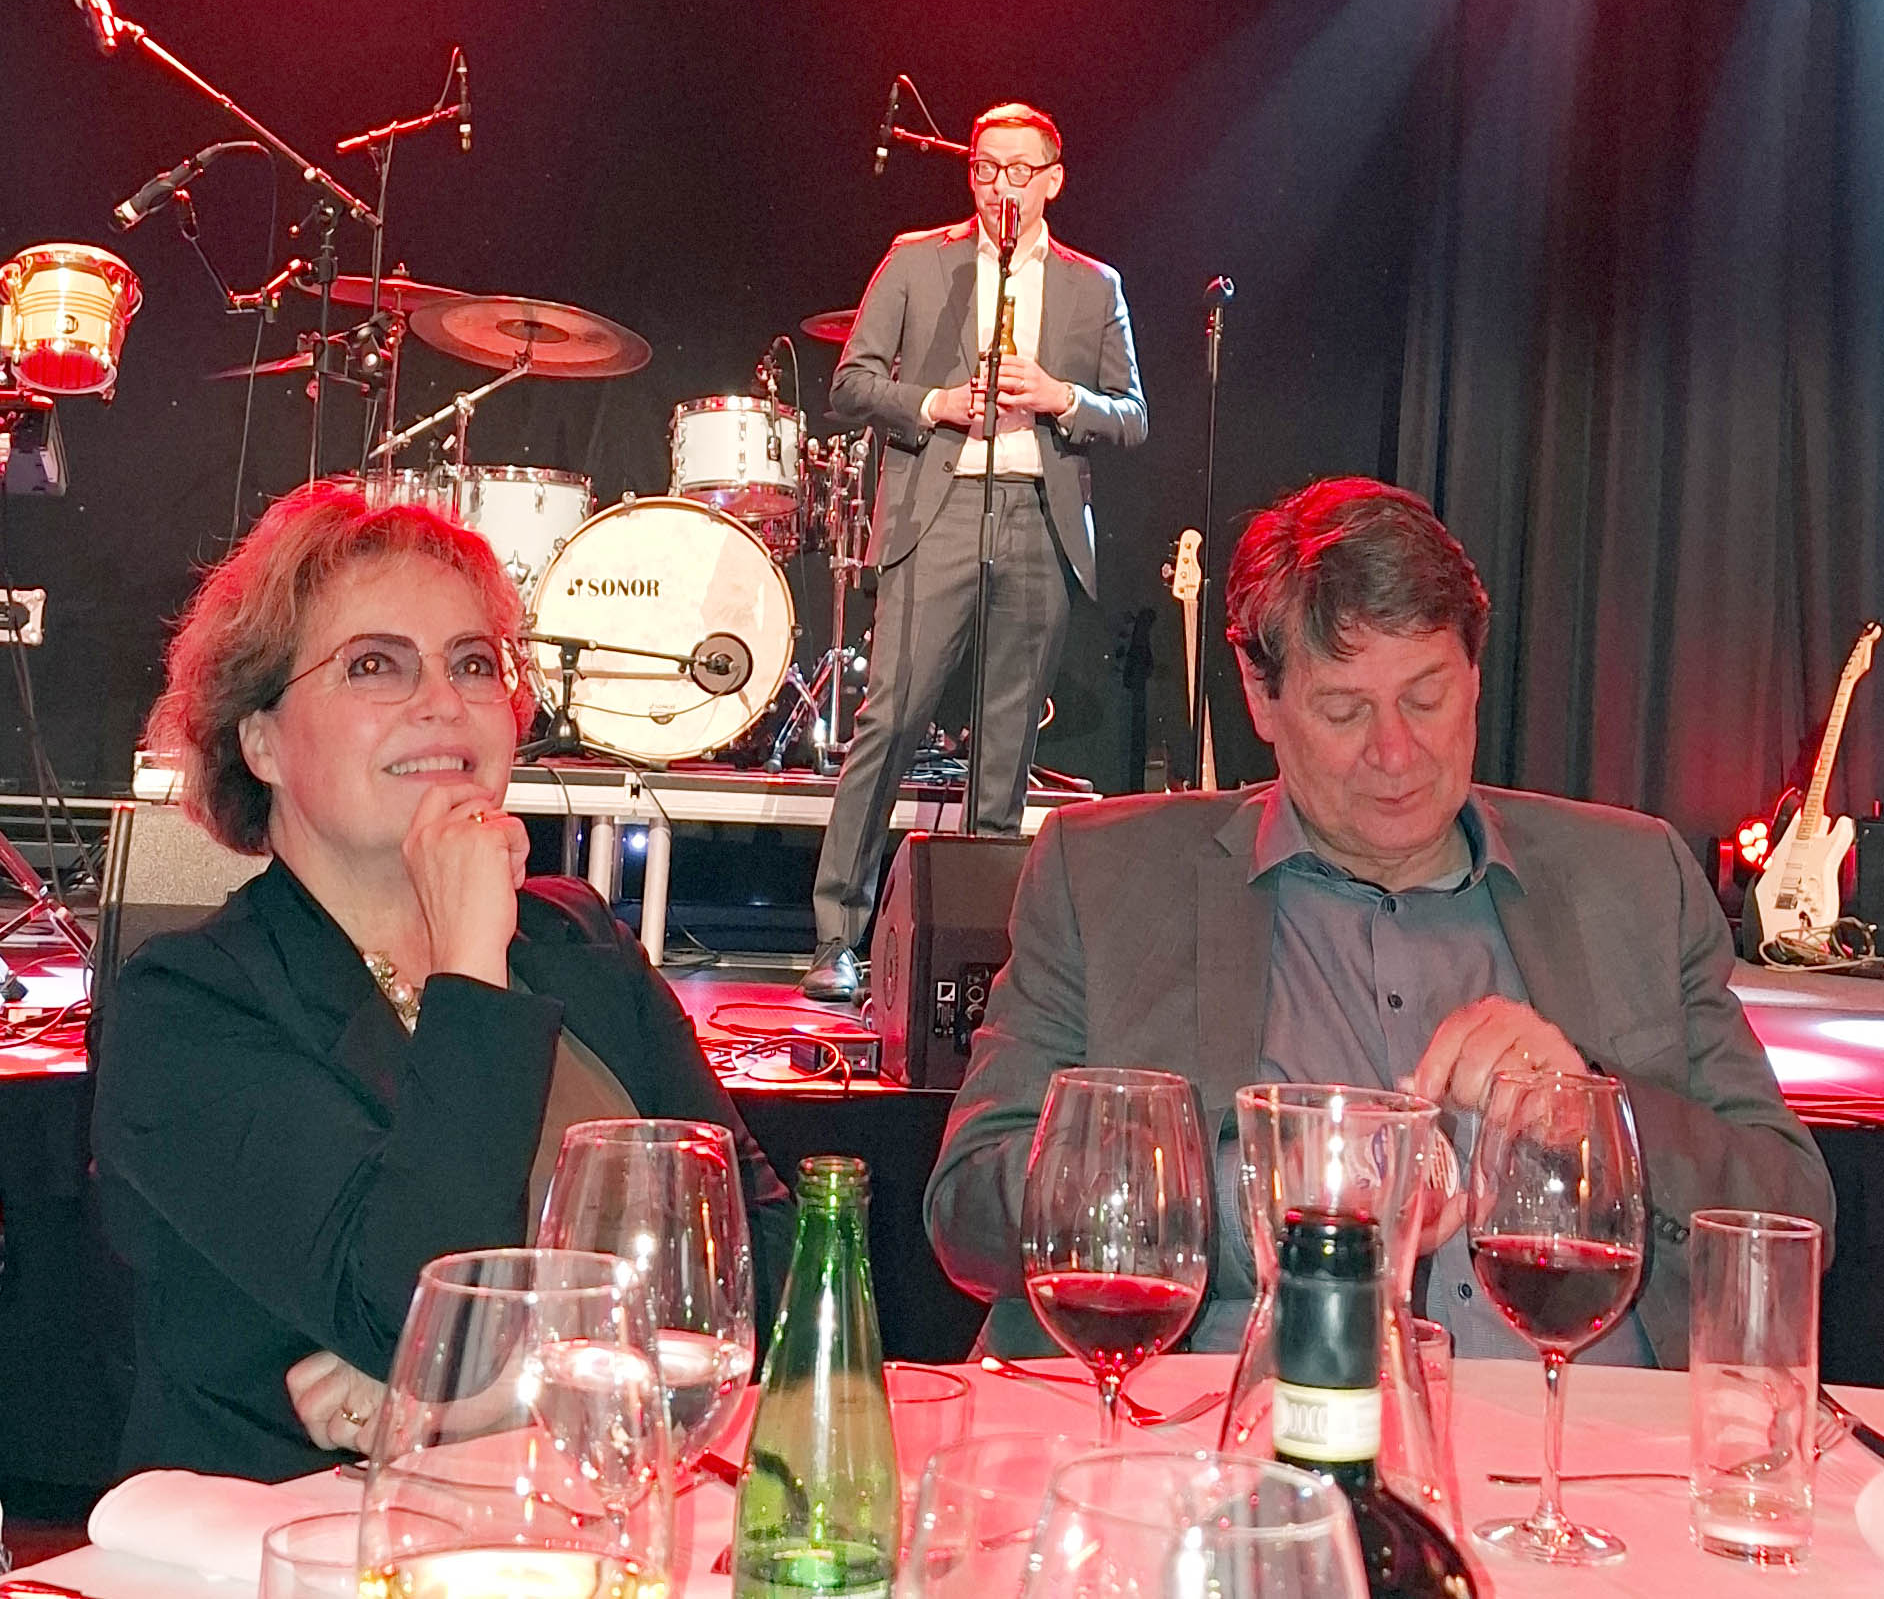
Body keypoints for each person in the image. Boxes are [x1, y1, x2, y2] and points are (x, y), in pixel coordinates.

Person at [925, 475, 1833, 1363]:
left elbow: (1798, 1218)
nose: (1396, 752)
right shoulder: (1106, 879)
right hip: (1229, 1445)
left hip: (1600, 1450)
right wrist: (1251, 1196)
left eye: (1427, 698)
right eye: (1345, 709)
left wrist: (1594, 1113)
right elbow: (969, 1212)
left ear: (1474, 673)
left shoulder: (1636, 877)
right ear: (1262, 695)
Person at [92, 483, 794, 1481]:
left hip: (587, 1522)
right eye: (375, 664)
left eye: (472, 663)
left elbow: (763, 1261)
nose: (443, 701)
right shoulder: (189, 1008)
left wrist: (495, 1392)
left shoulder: (576, 940)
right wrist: (469, 959)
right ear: (261, 740)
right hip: (291, 1545)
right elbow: (408, 1307)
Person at [803, 102, 1148, 998]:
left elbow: (1132, 414)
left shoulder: (1093, 285)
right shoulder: (920, 260)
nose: (1001, 184)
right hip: (940, 509)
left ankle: (978, 950)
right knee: (891, 719)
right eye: (986, 167)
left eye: (1019, 170)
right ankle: (837, 936)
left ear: (1053, 180)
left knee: (1005, 746)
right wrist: (936, 404)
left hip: (1037, 514)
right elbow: (851, 382)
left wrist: (1061, 395)